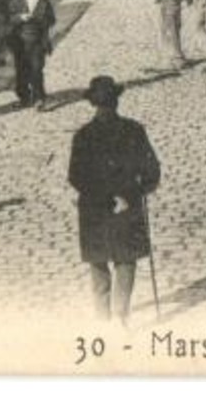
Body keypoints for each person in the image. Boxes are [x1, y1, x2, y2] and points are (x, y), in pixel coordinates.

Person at [67, 76, 160, 326]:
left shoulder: (83, 136)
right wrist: (130, 194)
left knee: (98, 263)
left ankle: (102, 318)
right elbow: (152, 172)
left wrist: (102, 196)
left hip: (94, 208)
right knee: (125, 260)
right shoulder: (134, 130)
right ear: (117, 102)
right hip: (126, 206)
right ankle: (121, 314)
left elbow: (75, 176)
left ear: (93, 104)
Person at [8, 0, 55, 111]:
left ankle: (39, 98)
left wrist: (42, 21)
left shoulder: (44, 2)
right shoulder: (15, 3)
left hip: (38, 42)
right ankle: (24, 97)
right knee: (21, 71)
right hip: (20, 43)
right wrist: (20, 18)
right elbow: (9, 21)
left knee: (37, 70)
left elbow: (52, 20)